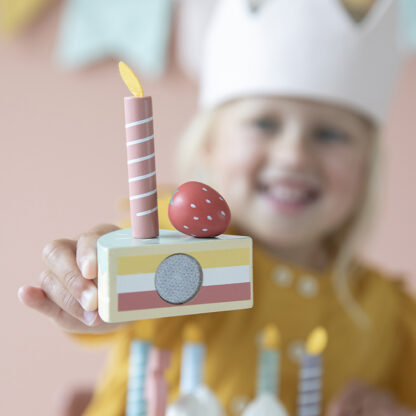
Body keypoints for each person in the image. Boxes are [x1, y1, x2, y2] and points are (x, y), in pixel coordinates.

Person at [17, 0, 416, 415]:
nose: (295, 155)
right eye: (264, 124)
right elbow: (115, 298)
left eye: (331, 134)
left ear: (367, 166)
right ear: (209, 145)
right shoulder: (169, 252)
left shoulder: (390, 318)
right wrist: (95, 289)